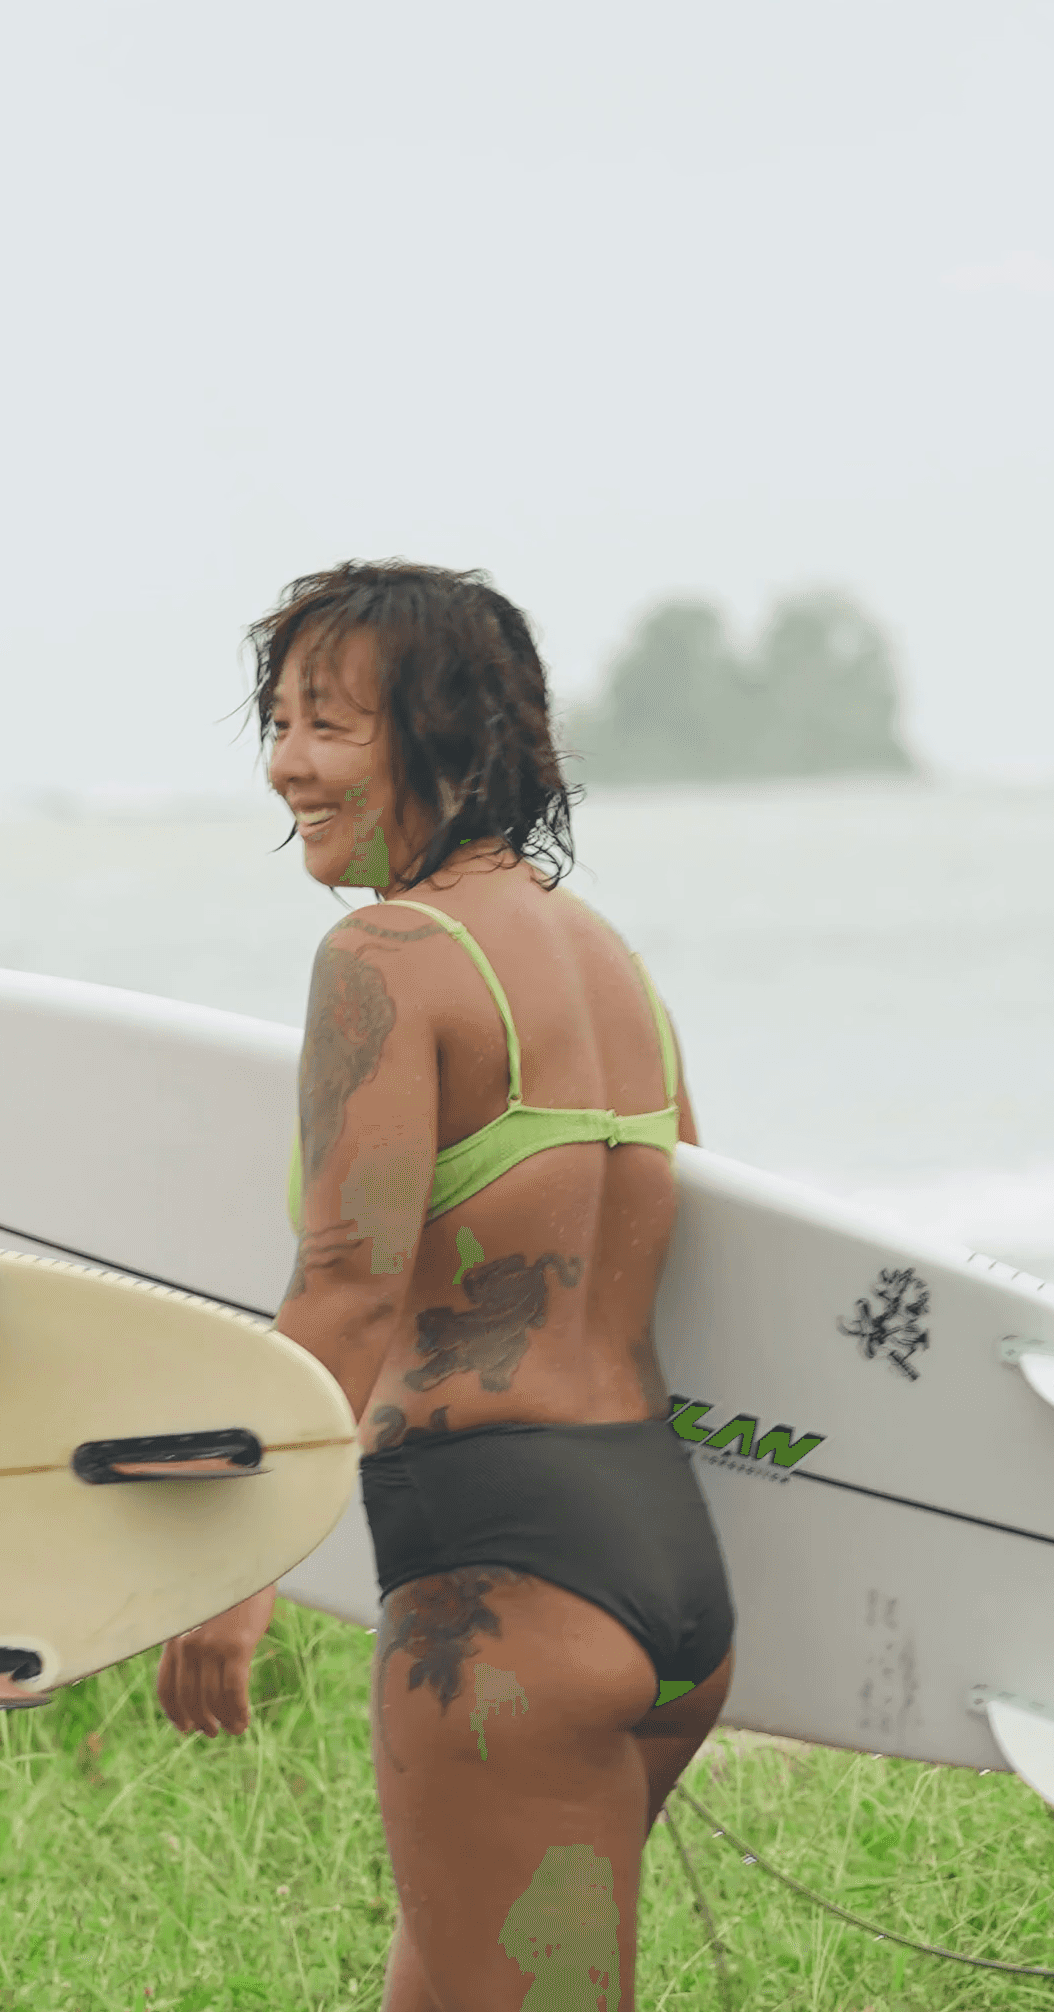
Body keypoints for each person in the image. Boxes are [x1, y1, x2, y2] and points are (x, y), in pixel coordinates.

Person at [156, 561, 731, 2012]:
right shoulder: (606, 965)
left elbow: (348, 1282)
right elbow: (691, 1246)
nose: (285, 763)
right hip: (657, 1559)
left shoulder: (386, 956)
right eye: (276, 722)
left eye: (328, 726)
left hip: (504, 1585)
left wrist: (236, 1561)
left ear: (444, 738)